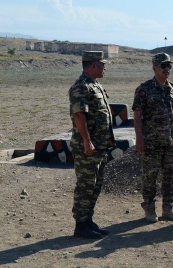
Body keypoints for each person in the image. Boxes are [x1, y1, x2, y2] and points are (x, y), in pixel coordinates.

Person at [132, 52, 173, 223]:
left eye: (169, 65)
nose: (167, 69)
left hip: (172, 142)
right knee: (150, 177)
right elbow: (137, 116)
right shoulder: (144, 89)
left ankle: (168, 208)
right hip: (152, 142)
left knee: (171, 176)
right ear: (154, 67)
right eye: (163, 65)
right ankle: (149, 209)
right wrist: (139, 139)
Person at [69, 51, 115, 239]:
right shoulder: (81, 87)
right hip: (87, 148)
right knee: (86, 185)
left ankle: (88, 221)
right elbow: (79, 115)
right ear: (93, 65)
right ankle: (80, 225)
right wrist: (87, 141)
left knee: (95, 185)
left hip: (99, 146)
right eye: (102, 64)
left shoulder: (94, 85)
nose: (105, 67)